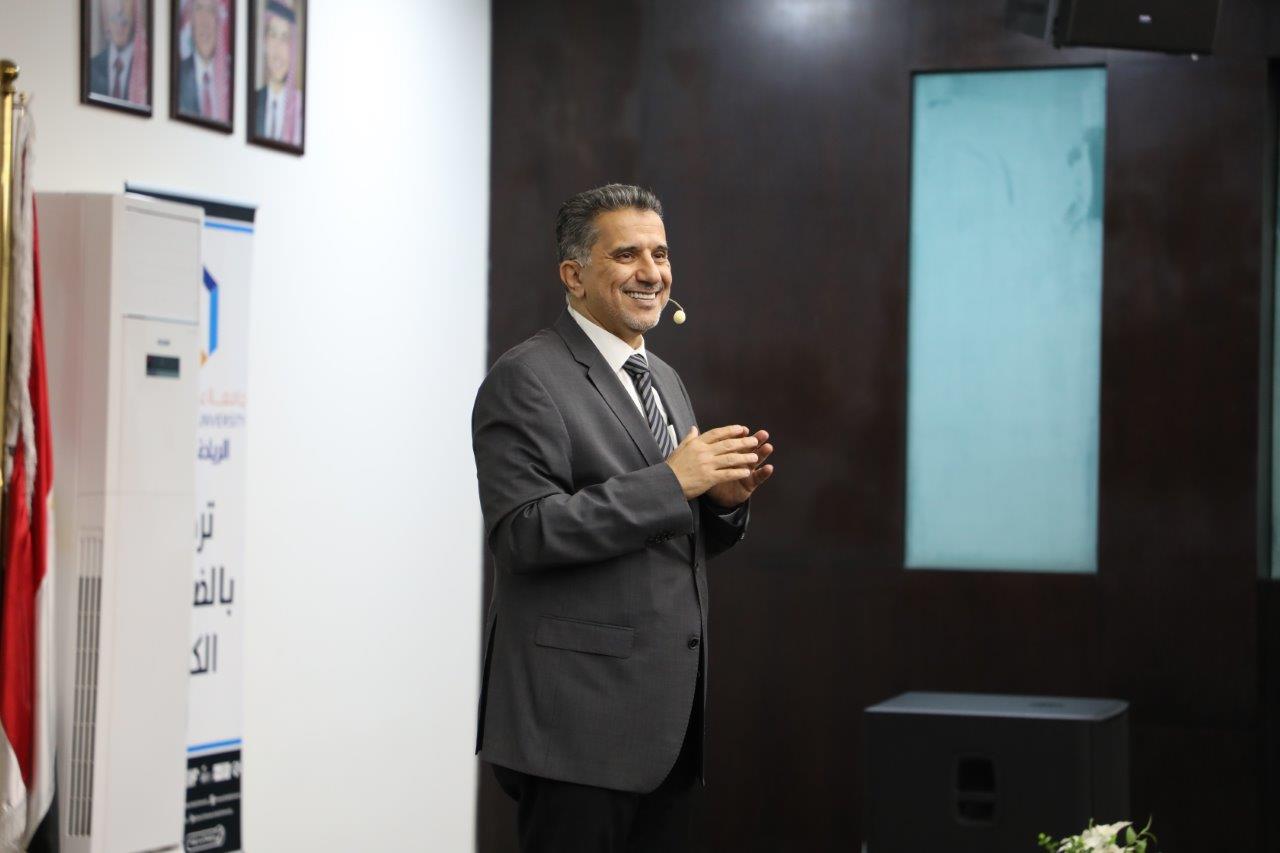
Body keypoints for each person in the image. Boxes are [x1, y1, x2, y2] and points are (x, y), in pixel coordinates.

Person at [472, 183, 775, 851]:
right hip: (576, 728)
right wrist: (673, 481)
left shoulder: (662, 376)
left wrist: (721, 504)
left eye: (660, 254)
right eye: (626, 254)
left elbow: (663, 534)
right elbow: (524, 533)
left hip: (665, 724)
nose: (651, 272)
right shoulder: (526, 378)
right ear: (573, 275)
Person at [253, 0, 303, 145]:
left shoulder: (301, 109)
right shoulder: (254, 102)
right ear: (265, 42)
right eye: (273, 35)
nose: (277, 48)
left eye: (284, 38)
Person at [177, 0, 223, 121]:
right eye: (199, 9)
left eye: (211, 11)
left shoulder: (228, 81)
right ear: (191, 22)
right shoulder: (177, 75)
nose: (205, 22)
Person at [88, 0, 140, 102]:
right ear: (106, 22)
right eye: (114, 20)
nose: (119, 27)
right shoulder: (92, 66)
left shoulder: (142, 69)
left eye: (124, 22)